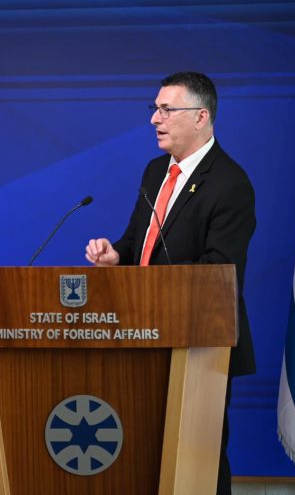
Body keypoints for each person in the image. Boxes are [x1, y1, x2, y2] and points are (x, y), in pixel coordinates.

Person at [85, 72, 255, 495]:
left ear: (201, 117)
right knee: (145, 453)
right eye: (155, 108)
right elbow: (136, 242)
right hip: (143, 335)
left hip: (200, 343)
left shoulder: (230, 183)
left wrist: (153, 287)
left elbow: (220, 270)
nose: (154, 119)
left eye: (166, 109)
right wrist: (115, 255)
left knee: (198, 458)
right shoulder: (156, 171)